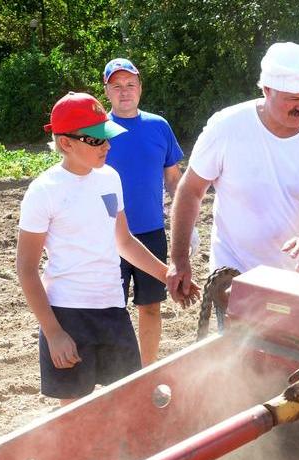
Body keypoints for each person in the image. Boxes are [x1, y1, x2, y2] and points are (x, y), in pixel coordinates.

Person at [16, 92, 198, 406]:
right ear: (66, 143)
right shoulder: (44, 191)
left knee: (127, 403)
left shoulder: (110, 178)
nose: (107, 146)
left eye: (107, 138)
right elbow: (26, 268)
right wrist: (53, 332)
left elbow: (123, 241)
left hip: (113, 309)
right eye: (97, 140)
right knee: (73, 414)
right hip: (67, 314)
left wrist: (167, 273)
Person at [167, 42, 299, 304]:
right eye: (293, 99)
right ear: (267, 89)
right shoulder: (227, 127)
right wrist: (179, 260)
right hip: (234, 276)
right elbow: (190, 190)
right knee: (238, 342)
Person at [102, 58, 187, 366]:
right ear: (107, 91)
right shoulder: (99, 131)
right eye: (117, 86)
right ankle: (117, 377)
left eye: (130, 85)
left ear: (140, 88)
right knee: (112, 310)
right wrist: (112, 218)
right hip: (109, 236)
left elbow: (174, 180)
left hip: (151, 232)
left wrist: (185, 229)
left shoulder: (158, 126)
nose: (124, 92)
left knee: (151, 306)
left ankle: (147, 370)